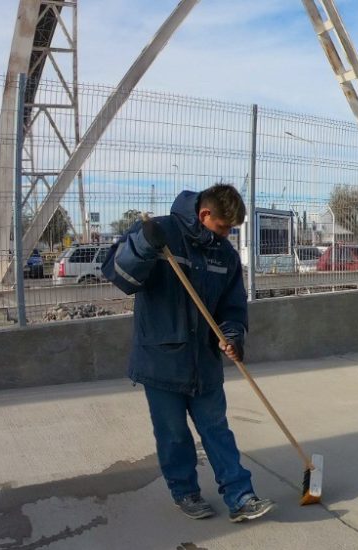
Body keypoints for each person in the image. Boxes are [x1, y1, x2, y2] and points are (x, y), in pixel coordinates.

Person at [103, 183, 274, 523]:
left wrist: (232, 336)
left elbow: (233, 306)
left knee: (217, 430)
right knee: (173, 434)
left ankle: (240, 496)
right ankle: (185, 492)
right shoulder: (160, 232)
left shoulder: (223, 255)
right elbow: (120, 276)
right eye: (223, 227)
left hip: (204, 362)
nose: (227, 235)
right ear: (204, 214)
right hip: (161, 359)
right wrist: (142, 247)